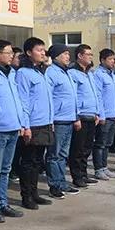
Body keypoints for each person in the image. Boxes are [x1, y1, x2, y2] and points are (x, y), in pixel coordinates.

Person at [0, 40, 27, 223]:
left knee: (6, 170)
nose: (12, 56)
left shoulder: (12, 73)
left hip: (13, 128)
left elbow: (18, 101)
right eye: (8, 53)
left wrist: (22, 124)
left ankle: (4, 203)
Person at [15, 37, 54, 210]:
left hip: (45, 123)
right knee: (28, 161)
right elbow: (23, 101)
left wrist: (51, 121)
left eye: (44, 50)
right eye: (39, 50)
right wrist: (26, 126)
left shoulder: (41, 72)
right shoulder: (23, 73)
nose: (43, 53)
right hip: (32, 124)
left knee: (38, 161)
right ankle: (26, 196)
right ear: (29, 52)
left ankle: (35, 193)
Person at [45, 44, 80, 198]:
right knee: (54, 154)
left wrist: (76, 116)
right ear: (56, 56)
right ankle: (55, 185)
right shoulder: (51, 72)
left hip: (69, 119)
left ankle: (62, 182)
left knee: (63, 154)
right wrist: (50, 119)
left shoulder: (66, 72)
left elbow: (73, 97)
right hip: (58, 119)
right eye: (65, 54)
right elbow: (48, 98)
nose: (68, 56)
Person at [68, 44, 101, 187]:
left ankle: (84, 173)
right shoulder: (73, 73)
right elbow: (73, 96)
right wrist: (76, 116)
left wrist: (97, 112)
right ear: (80, 56)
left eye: (91, 54)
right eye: (88, 54)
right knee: (78, 149)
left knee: (87, 148)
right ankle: (77, 176)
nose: (91, 57)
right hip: (81, 115)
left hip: (91, 115)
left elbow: (95, 94)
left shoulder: (89, 74)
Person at [92, 48, 115, 180]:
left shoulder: (112, 75)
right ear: (102, 60)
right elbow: (98, 96)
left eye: (114, 59)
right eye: (110, 59)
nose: (113, 62)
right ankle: (98, 169)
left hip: (113, 115)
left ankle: (104, 167)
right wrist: (101, 114)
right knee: (100, 143)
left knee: (108, 143)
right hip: (105, 116)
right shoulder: (98, 74)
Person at [8, 46, 24, 183]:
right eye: (18, 57)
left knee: (18, 150)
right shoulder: (12, 73)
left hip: (17, 119)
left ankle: (15, 169)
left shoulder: (17, 73)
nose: (19, 60)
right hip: (5, 122)